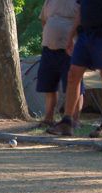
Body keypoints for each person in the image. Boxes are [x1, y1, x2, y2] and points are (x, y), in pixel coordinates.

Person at [46, 0, 102, 137]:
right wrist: (71, 36)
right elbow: (80, 11)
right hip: (84, 35)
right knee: (73, 74)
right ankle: (67, 121)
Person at [36, 0, 84, 128]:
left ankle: (74, 120)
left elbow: (83, 22)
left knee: (74, 85)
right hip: (48, 48)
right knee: (49, 86)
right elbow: (44, 20)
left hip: (70, 50)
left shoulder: (79, 1)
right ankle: (48, 118)